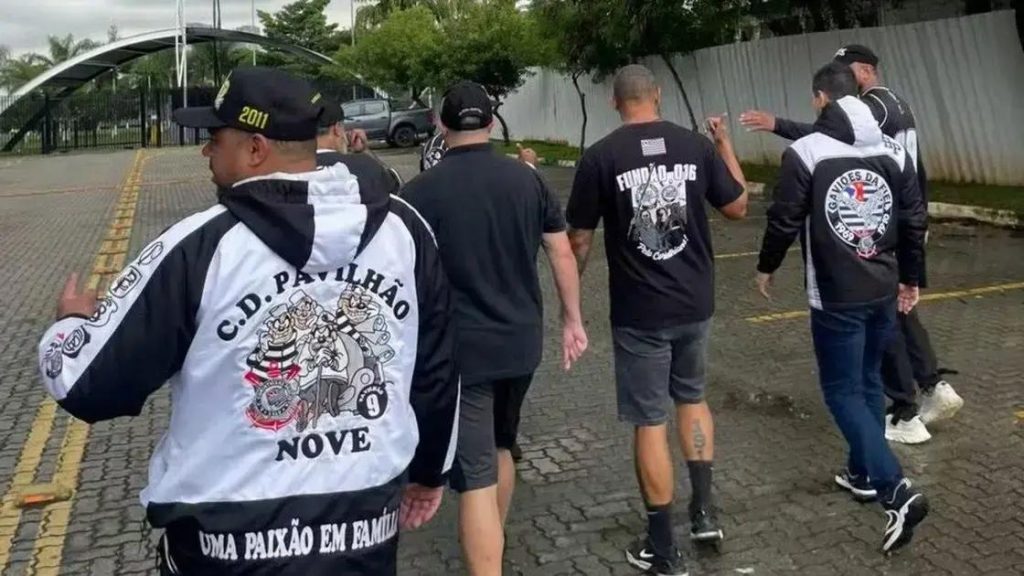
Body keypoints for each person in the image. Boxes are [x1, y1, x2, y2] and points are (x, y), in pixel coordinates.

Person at [36, 67, 459, 575]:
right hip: (363, 527)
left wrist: (69, 328)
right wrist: (431, 472)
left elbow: (89, 384)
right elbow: (437, 370)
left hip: (227, 544)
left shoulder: (201, 247)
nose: (205, 151)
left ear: (256, 149)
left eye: (216, 138)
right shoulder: (404, 229)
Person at [567, 64, 748, 576]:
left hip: (640, 313)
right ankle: (705, 512)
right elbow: (737, 205)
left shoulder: (601, 157)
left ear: (614, 102)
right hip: (695, 305)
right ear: (658, 96)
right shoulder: (695, 147)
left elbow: (579, 237)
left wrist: (570, 297)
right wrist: (725, 143)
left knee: (650, 422)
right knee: (692, 399)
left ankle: (662, 546)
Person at [402, 80, 588, 576]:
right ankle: (493, 541)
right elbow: (561, 250)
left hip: (463, 354)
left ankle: (487, 557)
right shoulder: (527, 180)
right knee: (503, 446)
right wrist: (573, 320)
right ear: (490, 123)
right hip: (520, 346)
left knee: (474, 478)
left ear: (441, 126)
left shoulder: (418, 193)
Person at [740, 44, 963, 445]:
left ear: (863, 71)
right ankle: (929, 386)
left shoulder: (870, 109)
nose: (839, 89)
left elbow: (825, 140)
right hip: (898, 220)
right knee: (898, 309)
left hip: (876, 228)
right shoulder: (895, 103)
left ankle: (903, 409)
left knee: (885, 318)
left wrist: (779, 125)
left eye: (845, 73)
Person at [754, 62, 929, 553]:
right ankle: (861, 472)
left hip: (834, 295)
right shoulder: (892, 150)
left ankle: (895, 489)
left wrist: (766, 268)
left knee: (841, 390)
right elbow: (914, 219)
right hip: (882, 287)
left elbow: (784, 217)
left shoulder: (806, 152)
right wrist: (911, 279)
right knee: (869, 380)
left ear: (820, 100)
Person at [316, 98, 403, 196]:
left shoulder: (298, 168)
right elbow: (397, 189)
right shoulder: (362, 167)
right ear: (337, 129)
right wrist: (364, 152)